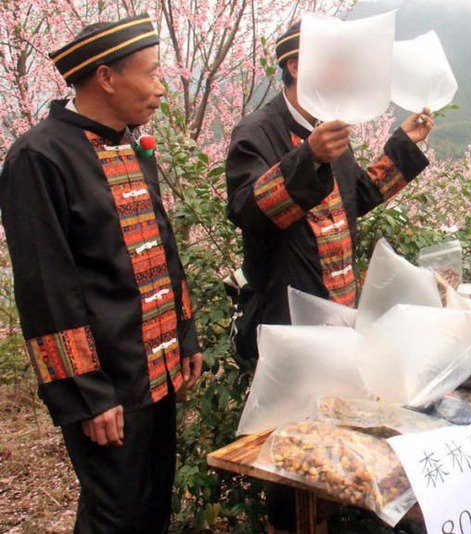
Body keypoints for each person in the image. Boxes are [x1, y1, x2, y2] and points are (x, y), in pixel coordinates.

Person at [224, 22, 432, 532]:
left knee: (333, 446)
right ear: (296, 66)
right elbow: (249, 210)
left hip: (338, 317)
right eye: (333, 62)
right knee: (291, 457)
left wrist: (402, 146)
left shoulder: (327, 126)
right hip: (288, 323)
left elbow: (353, 198)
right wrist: (308, 157)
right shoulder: (257, 132)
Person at [0, 15, 203, 532]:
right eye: (152, 73)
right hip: (107, 382)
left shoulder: (131, 145)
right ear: (107, 78)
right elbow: (46, 289)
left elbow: (163, 248)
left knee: (152, 507)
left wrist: (184, 333)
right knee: (116, 516)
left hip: (156, 369)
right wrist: (87, 393)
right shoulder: (39, 158)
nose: (161, 88)